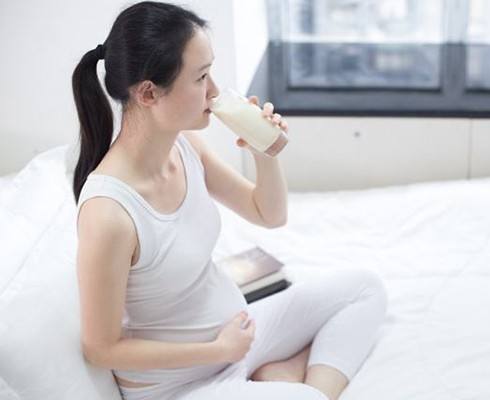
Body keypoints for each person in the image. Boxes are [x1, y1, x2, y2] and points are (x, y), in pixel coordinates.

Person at [72, 2, 388, 399]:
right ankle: (293, 382)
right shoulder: (108, 213)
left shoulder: (185, 148)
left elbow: (268, 214)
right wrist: (218, 350)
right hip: (183, 383)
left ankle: (293, 379)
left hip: (238, 338)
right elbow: (100, 348)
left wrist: (263, 152)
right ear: (149, 93)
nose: (215, 91)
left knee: (364, 288)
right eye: (201, 77)